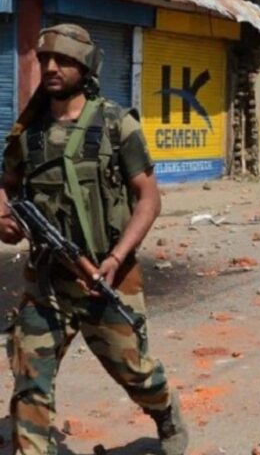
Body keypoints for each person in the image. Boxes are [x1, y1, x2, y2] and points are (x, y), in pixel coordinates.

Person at [0, 24, 188, 454]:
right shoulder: (28, 133)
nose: (51, 67)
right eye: (45, 59)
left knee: (134, 372)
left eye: (63, 60)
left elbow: (148, 199)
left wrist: (117, 258)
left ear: (85, 67)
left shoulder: (116, 124)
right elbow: (5, 185)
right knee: (30, 379)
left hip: (106, 276)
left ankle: (164, 410)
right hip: (47, 281)